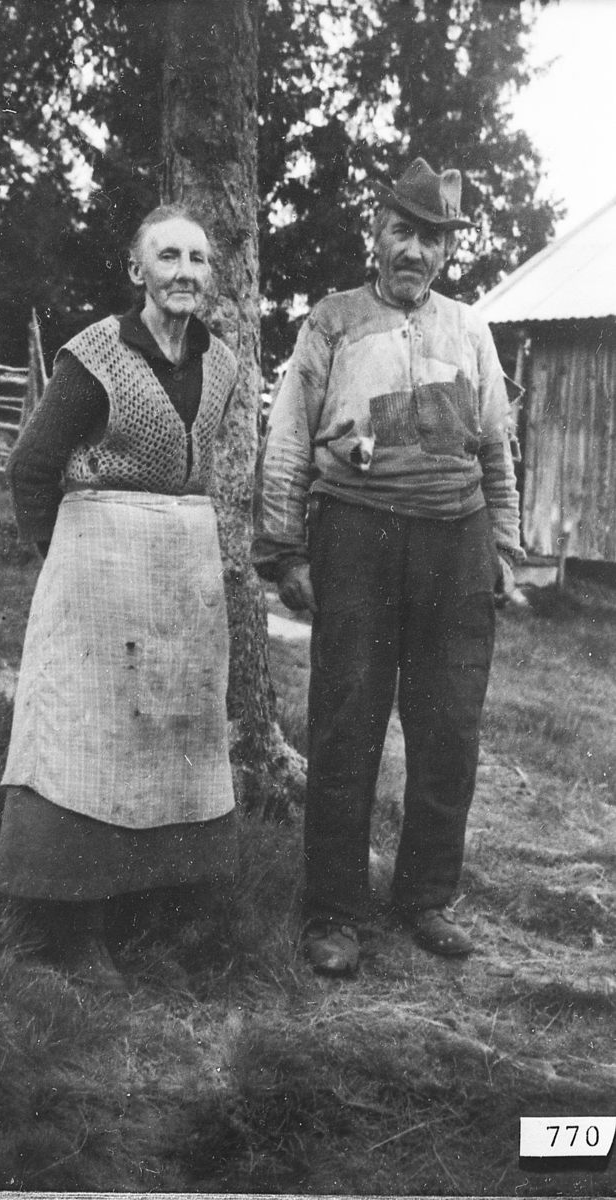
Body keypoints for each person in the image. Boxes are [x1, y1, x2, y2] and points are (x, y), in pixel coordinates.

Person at [252, 158, 524, 976]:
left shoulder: (470, 329)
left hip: (456, 540)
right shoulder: (331, 323)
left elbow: (495, 450)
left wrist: (503, 549)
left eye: (431, 238)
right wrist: (283, 549)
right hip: (357, 540)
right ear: (376, 234)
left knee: (450, 728)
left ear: (446, 251)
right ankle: (333, 910)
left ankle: (426, 898)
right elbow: (289, 441)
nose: (415, 251)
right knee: (347, 720)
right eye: (402, 232)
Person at [0, 203, 238, 990]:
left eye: (198, 260)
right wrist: (62, 556)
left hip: (183, 578)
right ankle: (72, 930)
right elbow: (31, 466)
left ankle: (161, 913)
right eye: (168, 257)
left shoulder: (225, 364)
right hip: (98, 573)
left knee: (175, 740)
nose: (185, 273)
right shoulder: (94, 356)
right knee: (87, 742)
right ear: (138, 271)